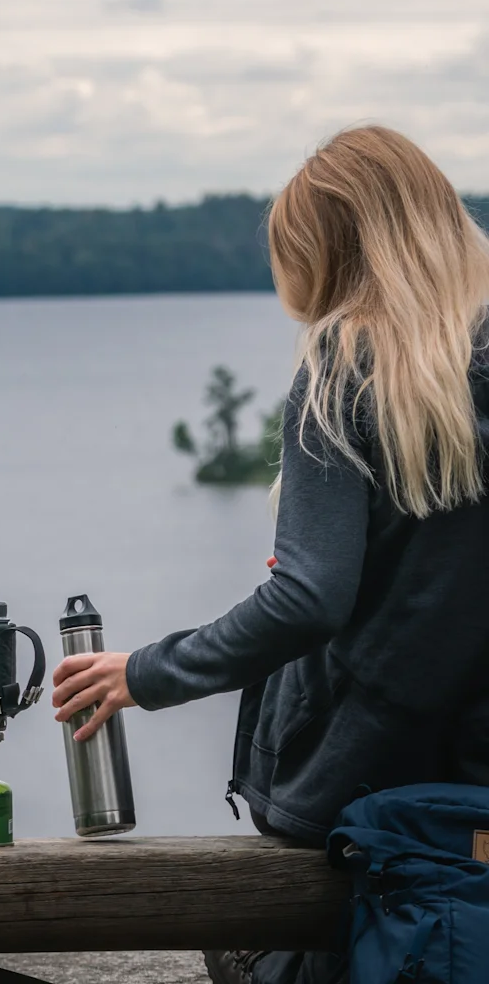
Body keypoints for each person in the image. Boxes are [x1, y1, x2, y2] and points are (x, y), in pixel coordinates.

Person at [52, 125, 489, 984]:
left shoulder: (348, 365)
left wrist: (146, 672)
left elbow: (309, 600)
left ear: (332, 258)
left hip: (365, 788)